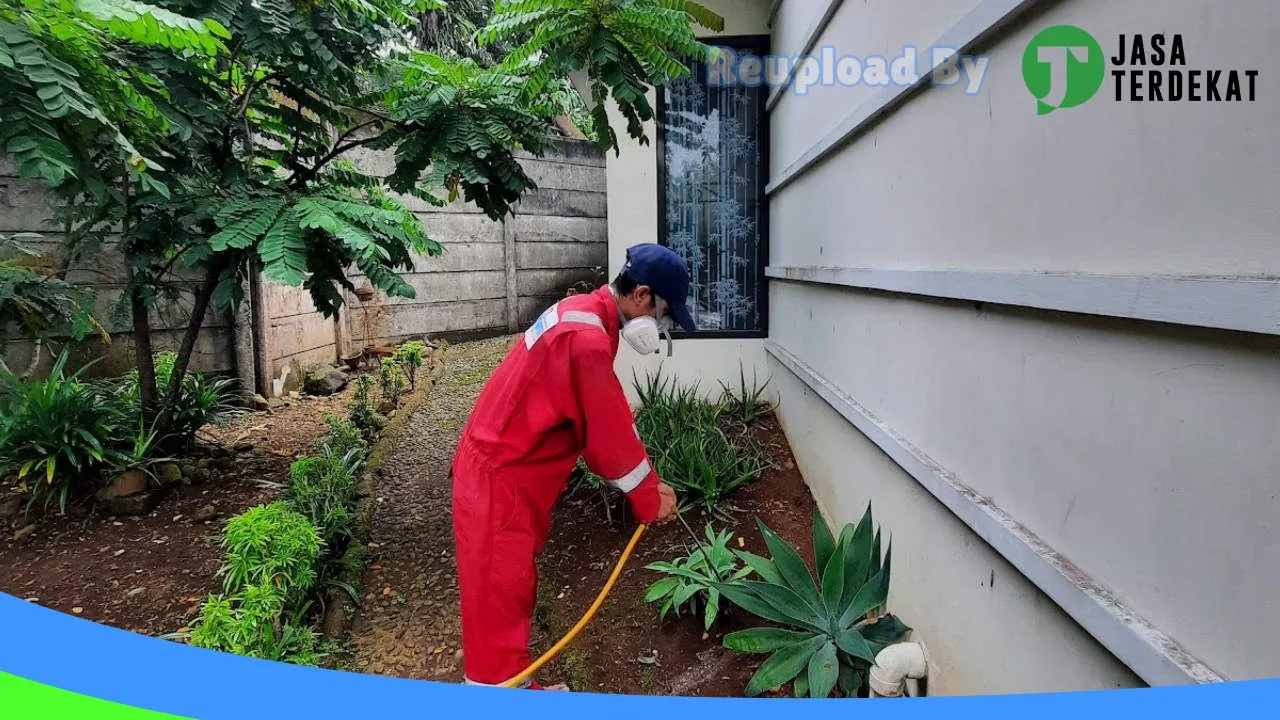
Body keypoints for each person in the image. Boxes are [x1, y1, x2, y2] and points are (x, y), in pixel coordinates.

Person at [450, 243, 697, 690]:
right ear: (641, 296)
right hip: (499, 481)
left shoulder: (584, 312)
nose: (662, 327)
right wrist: (648, 498)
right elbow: (607, 440)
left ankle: (516, 686)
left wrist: (649, 478)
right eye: (664, 314)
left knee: (511, 589)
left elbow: (605, 409)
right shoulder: (586, 340)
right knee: (497, 604)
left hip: (504, 471)